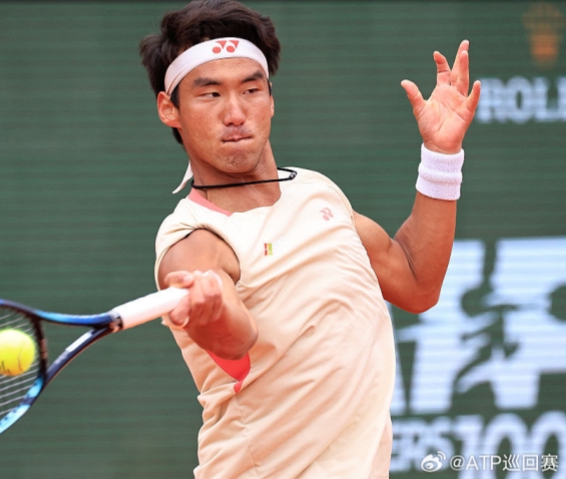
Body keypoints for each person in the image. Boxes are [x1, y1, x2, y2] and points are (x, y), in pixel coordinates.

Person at [139, 1, 480, 477]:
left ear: (271, 98)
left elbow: (417, 283)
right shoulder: (195, 241)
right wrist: (211, 310)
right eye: (210, 94)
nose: (235, 113)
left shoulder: (316, 191)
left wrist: (442, 156)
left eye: (251, 90)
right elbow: (235, 341)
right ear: (169, 109)